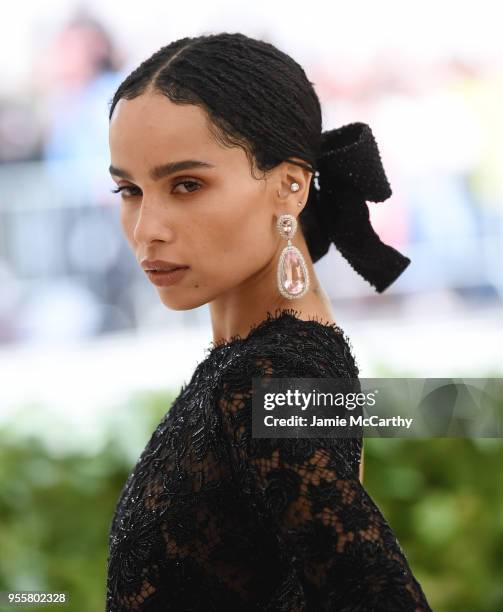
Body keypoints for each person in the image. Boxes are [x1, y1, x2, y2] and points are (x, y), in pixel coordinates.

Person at [105, 32, 431, 611]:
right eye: (129, 189)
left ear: (290, 185)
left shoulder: (270, 375)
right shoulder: (265, 365)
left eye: (186, 185)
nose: (145, 228)